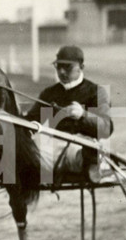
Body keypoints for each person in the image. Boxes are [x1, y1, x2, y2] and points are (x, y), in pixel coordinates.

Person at [25, 45, 113, 182]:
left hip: (81, 146)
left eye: (67, 67)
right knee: (28, 148)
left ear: (81, 67)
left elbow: (106, 128)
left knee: (87, 152)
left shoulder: (96, 92)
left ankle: (94, 164)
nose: (61, 72)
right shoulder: (49, 93)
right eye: (58, 67)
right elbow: (29, 121)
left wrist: (83, 115)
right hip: (51, 148)